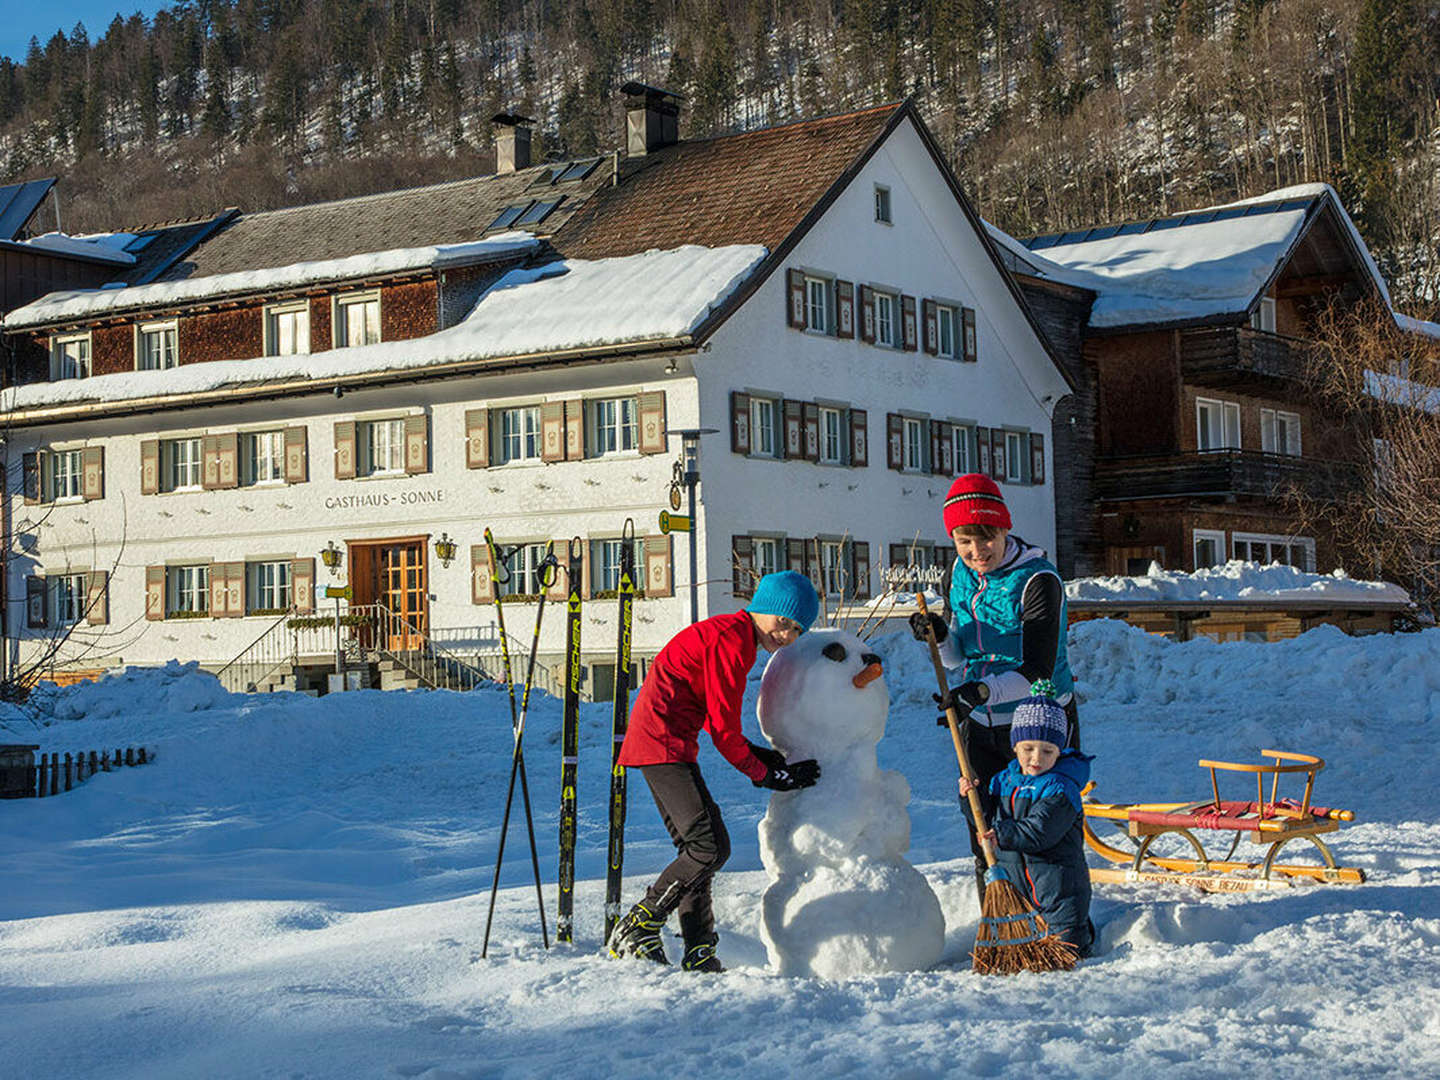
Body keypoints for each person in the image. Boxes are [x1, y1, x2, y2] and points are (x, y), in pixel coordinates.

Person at [608, 570, 822, 972]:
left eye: (797, 630)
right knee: (710, 847)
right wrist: (765, 773)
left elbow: (715, 719)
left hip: (665, 744)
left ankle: (699, 950)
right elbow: (723, 732)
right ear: (763, 608)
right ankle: (641, 922)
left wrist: (763, 758)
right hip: (662, 745)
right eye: (783, 621)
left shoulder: (731, 634)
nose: (787, 635)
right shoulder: (731, 641)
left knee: (697, 850)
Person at [909, 472, 1078, 905]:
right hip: (980, 721)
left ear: (1004, 529)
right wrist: (939, 633)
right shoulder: (960, 575)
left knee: (1044, 826)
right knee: (982, 823)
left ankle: (1059, 921)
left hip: (1039, 722)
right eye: (964, 541)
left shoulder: (1038, 580)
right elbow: (957, 658)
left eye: (986, 538)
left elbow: (1037, 671)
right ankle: (1000, 918)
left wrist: (977, 693)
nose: (976, 551)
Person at [959, 683, 1094, 956]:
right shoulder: (1003, 781)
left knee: (1067, 948)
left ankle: (1085, 941)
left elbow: (1040, 832)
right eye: (1028, 748)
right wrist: (970, 797)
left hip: (1059, 888)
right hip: (1019, 888)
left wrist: (1001, 834)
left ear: (1060, 751)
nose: (1036, 758)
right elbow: (983, 819)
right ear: (1015, 746)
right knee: (1026, 947)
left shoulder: (1061, 787)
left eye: (1047, 751)